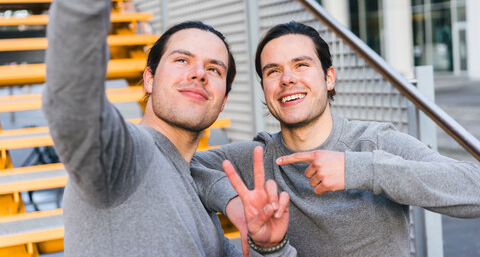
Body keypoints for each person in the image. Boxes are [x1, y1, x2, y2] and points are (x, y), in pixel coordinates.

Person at [42, 0, 296, 256]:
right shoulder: (121, 157)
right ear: (149, 79)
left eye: (214, 69)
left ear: (224, 98)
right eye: (181, 60)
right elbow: (72, 99)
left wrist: (270, 246)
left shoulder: (204, 210)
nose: (199, 73)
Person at [192, 21, 480, 257]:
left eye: (301, 65)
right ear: (265, 88)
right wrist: (233, 203)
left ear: (329, 78)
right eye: (273, 71)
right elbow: (183, 164)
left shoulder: (374, 143)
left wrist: (361, 169)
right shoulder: (256, 159)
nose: (287, 79)